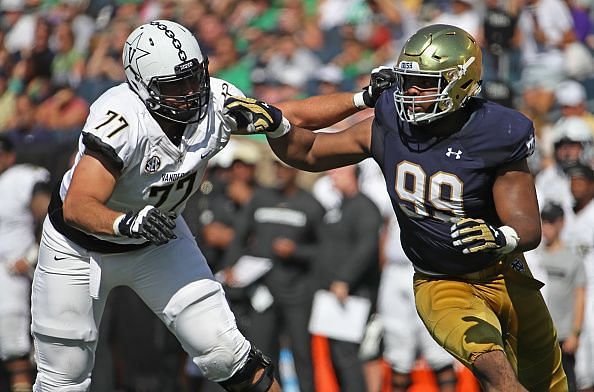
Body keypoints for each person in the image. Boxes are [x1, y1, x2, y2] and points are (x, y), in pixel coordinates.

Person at [223, 24, 568, 391]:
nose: (411, 92)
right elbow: (307, 149)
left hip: (504, 270)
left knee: (548, 381)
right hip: (442, 280)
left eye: (426, 83)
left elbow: (527, 225)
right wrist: (279, 124)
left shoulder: (497, 131)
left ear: (461, 84)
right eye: (408, 80)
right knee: (491, 364)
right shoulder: (392, 124)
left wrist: (500, 236)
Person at [29, 20, 283, 392]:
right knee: (63, 380)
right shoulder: (122, 119)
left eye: (195, 78)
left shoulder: (217, 99)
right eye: (176, 85)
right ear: (143, 87)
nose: (193, 92)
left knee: (229, 354)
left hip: (157, 237)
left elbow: (292, 118)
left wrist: (358, 100)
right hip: (79, 245)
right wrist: (126, 223)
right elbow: (77, 206)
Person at [0, 135, 51, 392]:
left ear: (8, 156)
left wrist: (32, 255)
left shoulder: (20, 179)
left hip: (12, 273)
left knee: (13, 342)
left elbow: (50, 215)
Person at [538, 202, 586, 392]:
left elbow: (580, 296)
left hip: (564, 336)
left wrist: (575, 333)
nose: (545, 228)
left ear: (561, 223)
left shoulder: (572, 259)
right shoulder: (536, 257)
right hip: (541, 336)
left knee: (567, 386)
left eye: (550, 222)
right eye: (543, 222)